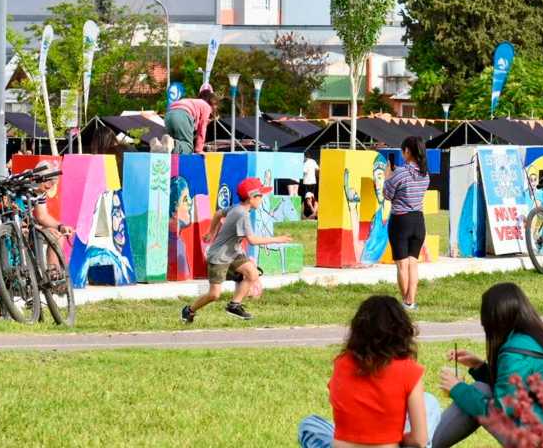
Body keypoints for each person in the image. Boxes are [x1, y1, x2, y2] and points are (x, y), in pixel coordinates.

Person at [433, 282, 543, 447]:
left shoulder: (514, 353)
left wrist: (457, 388)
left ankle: (427, 444)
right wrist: (479, 366)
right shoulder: (536, 339)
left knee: (479, 391)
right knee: (482, 389)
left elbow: (499, 413)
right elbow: (513, 387)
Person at [298, 295, 440, 448]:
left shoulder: (341, 363)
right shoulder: (409, 370)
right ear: (402, 330)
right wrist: (398, 438)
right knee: (429, 402)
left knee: (310, 424)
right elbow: (419, 440)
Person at [182, 177, 291, 322]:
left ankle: (234, 305)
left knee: (252, 273)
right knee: (214, 295)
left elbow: (219, 213)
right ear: (251, 197)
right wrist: (277, 239)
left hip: (233, 253)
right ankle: (188, 310)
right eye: (260, 196)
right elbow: (252, 240)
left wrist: (211, 232)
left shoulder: (237, 207)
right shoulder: (242, 214)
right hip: (219, 257)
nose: (262, 199)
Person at [384, 136, 430, 311]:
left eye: (403, 151)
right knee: (413, 263)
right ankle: (411, 300)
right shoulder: (424, 174)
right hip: (418, 220)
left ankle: (407, 302)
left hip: (400, 220)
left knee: (402, 264)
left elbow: (387, 195)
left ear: (408, 151)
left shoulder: (400, 173)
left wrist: (388, 176)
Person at [165, 83, 218, 155]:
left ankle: (159, 146)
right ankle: (172, 144)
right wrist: (199, 149)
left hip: (169, 115)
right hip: (182, 115)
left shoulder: (194, 102)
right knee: (188, 147)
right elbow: (202, 129)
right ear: (212, 103)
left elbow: (191, 129)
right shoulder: (206, 107)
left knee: (170, 147)